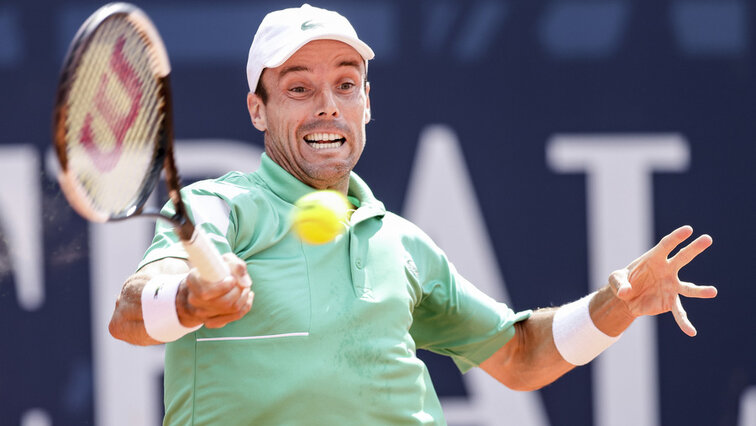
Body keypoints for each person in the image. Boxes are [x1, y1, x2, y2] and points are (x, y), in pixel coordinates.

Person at [108, 4, 717, 425]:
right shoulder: (220, 207)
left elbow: (519, 355)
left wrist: (618, 305)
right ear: (257, 110)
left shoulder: (402, 245)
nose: (327, 106)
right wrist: (187, 302)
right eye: (298, 89)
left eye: (346, 85)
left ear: (366, 102)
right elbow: (131, 313)